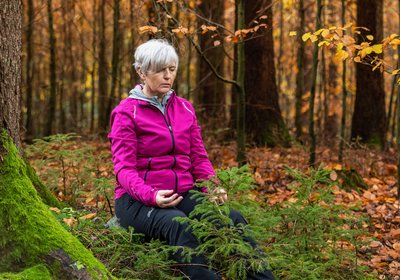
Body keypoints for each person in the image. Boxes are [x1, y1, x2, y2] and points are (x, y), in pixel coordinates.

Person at [108, 39, 274, 280]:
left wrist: (212, 187)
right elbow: (123, 169)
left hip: (181, 194)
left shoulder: (184, 109)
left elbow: (198, 157)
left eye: (172, 69)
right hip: (137, 202)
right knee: (179, 224)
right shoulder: (126, 112)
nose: (167, 76)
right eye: (160, 70)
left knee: (232, 218)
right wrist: (151, 195)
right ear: (141, 71)